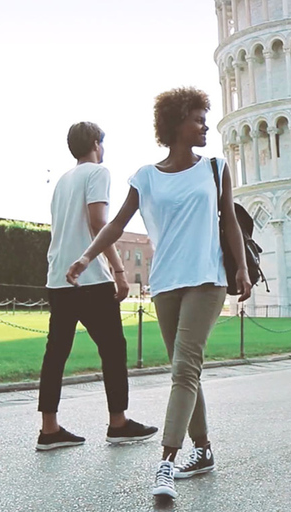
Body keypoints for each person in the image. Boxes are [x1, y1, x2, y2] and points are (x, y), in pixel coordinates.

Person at [66, 88, 252, 501]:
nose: (206, 125)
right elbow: (115, 225)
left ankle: (166, 462)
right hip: (165, 283)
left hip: (207, 279)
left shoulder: (217, 168)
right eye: (199, 118)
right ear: (175, 124)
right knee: (186, 369)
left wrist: (239, 267)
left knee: (184, 369)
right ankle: (203, 450)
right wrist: (85, 258)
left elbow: (230, 224)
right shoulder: (145, 176)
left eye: (206, 118)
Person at [37, 122, 157, 451]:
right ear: (95, 143)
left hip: (58, 277)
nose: (103, 149)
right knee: (113, 350)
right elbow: (98, 223)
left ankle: (49, 429)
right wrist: (119, 270)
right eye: (102, 143)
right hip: (90, 278)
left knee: (56, 353)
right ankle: (118, 423)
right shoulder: (98, 173)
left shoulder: (62, 181)